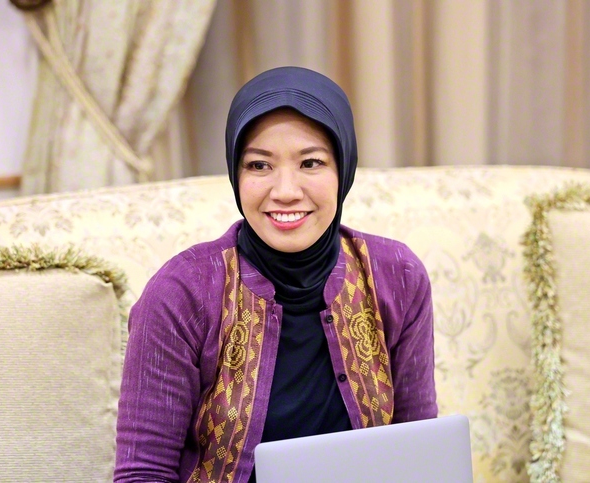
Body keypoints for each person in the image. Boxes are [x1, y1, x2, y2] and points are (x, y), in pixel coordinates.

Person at [114, 66, 437, 483]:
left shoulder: (397, 276)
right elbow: (143, 473)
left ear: (344, 170)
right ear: (236, 174)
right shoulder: (181, 293)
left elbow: (420, 455)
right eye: (260, 165)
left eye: (311, 162)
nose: (285, 191)